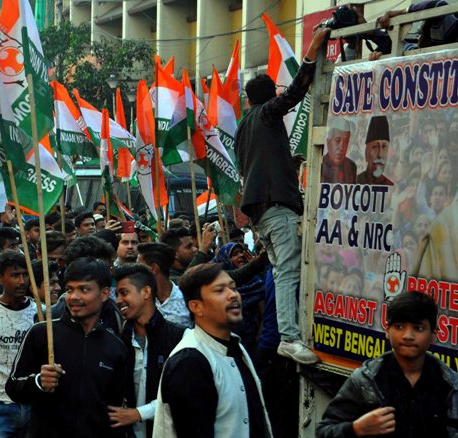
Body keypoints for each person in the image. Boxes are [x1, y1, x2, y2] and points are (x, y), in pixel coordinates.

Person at [233, 26, 331, 365]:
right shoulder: (266, 114)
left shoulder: (243, 127)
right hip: (276, 208)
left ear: (247, 99)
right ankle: (289, 337)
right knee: (289, 272)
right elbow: (295, 93)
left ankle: (289, 333)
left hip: (260, 213)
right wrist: (312, 51)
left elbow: (257, 165)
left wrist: (291, 165)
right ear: (268, 98)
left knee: (281, 270)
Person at [6, 258, 130, 438]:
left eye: (84, 290)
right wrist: (39, 381)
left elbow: (116, 411)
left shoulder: (116, 347)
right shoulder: (42, 333)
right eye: (70, 289)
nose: (74, 297)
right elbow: (12, 387)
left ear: (104, 294)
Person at [153, 263, 272, 437]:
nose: (233, 295)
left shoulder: (234, 346)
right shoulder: (190, 363)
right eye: (220, 290)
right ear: (196, 307)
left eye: (233, 288)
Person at [318, 291, 458, 436]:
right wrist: (356, 429)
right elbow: (324, 431)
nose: (408, 336)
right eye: (399, 327)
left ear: (433, 335)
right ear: (387, 331)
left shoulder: (450, 385)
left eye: (418, 328)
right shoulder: (366, 381)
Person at [112, 264, 185, 438]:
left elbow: (182, 393)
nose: (118, 300)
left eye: (124, 293)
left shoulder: (179, 338)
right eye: (117, 295)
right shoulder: (119, 342)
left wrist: (139, 413)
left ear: (146, 292)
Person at [0, 251, 38, 438]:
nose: (22, 281)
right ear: (0, 278)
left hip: (32, 402)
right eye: (15, 275)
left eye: (25, 275)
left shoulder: (40, 312)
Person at [137, 243, 192, 329]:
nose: (136, 273)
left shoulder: (186, 299)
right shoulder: (140, 301)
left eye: (139, 267)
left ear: (153, 268)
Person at [356, 115, 394, 186]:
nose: (380, 154)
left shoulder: (390, 186)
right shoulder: (355, 183)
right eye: (375, 147)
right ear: (366, 153)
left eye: (384, 146)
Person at [321, 119, 357, 184]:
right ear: (328, 142)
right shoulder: (320, 164)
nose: (342, 147)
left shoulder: (351, 166)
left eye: (346, 142)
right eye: (337, 140)